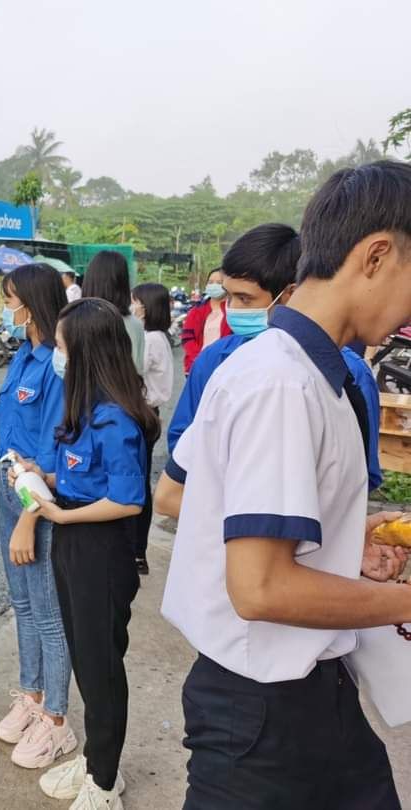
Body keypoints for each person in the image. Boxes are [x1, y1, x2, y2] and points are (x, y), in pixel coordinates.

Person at [155, 165, 411, 807]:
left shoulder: (313, 375)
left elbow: (221, 504)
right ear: (377, 256)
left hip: (312, 693)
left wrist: (347, 542)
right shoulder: (281, 383)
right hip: (260, 718)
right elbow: (262, 587)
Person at [19, 298, 158, 809]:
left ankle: (104, 782)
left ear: (86, 353)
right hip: (74, 543)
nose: (56, 355)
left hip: (100, 550)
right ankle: (97, 758)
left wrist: (60, 517)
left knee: (101, 666)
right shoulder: (85, 410)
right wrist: (41, 477)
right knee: (84, 656)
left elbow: (127, 500)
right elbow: (82, 479)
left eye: (61, 346)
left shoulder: (116, 419)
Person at [164, 223, 384, 493]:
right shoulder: (214, 360)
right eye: (229, 297)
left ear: (289, 294)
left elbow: (360, 474)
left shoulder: (351, 373)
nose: (233, 309)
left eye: (245, 299)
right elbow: (182, 448)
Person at [0, 264, 76, 773]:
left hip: (38, 498)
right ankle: (31, 696)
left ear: (30, 307)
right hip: (9, 486)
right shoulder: (21, 357)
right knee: (23, 605)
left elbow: (54, 446)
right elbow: (6, 418)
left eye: (9, 299)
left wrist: (31, 517)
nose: (4, 308)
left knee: (49, 612)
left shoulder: (57, 365)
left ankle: (57, 720)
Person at [129, 282, 174, 575]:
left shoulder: (152, 339)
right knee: (138, 478)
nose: (132, 306)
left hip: (143, 412)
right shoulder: (156, 337)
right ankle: (136, 551)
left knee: (138, 481)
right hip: (147, 413)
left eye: (135, 302)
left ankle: (137, 551)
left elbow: (132, 366)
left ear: (146, 306)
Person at [82, 251, 145, 375]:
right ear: (123, 283)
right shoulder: (134, 325)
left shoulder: (75, 320)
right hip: (124, 386)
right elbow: (137, 369)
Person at [180, 268, 230, 374]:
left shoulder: (232, 311)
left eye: (219, 282)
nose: (214, 285)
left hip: (223, 368)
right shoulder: (196, 311)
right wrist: (200, 359)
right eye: (210, 282)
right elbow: (187, 338)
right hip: (197, 366)